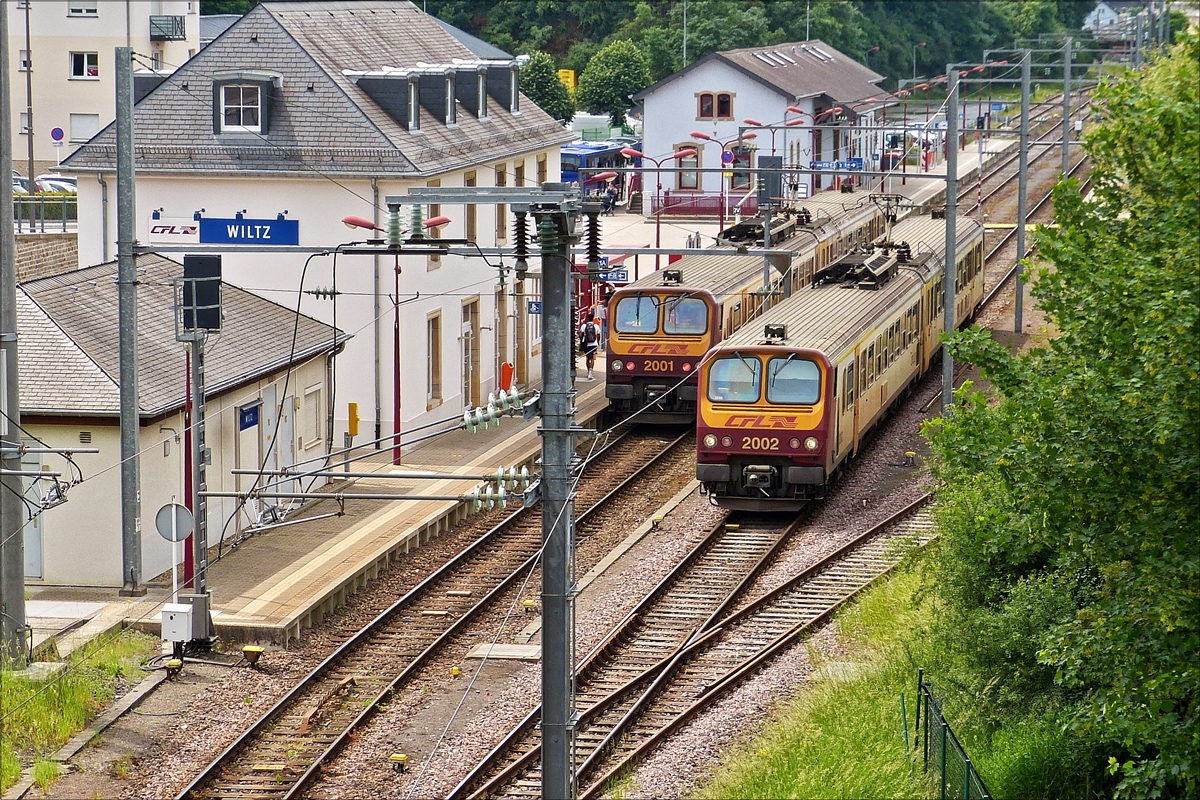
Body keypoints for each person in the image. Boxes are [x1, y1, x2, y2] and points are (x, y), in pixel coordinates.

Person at [579, 315, 601, 380]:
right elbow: (598, 335)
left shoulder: (584, 326)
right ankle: (590, 372)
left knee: (588, 358)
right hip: (593, 344)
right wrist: (597, 342)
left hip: (586, 344)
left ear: (587, 319)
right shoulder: (596, 326)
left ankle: (588, 370)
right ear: (593, 319)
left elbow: (580, 334)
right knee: (591, 358)